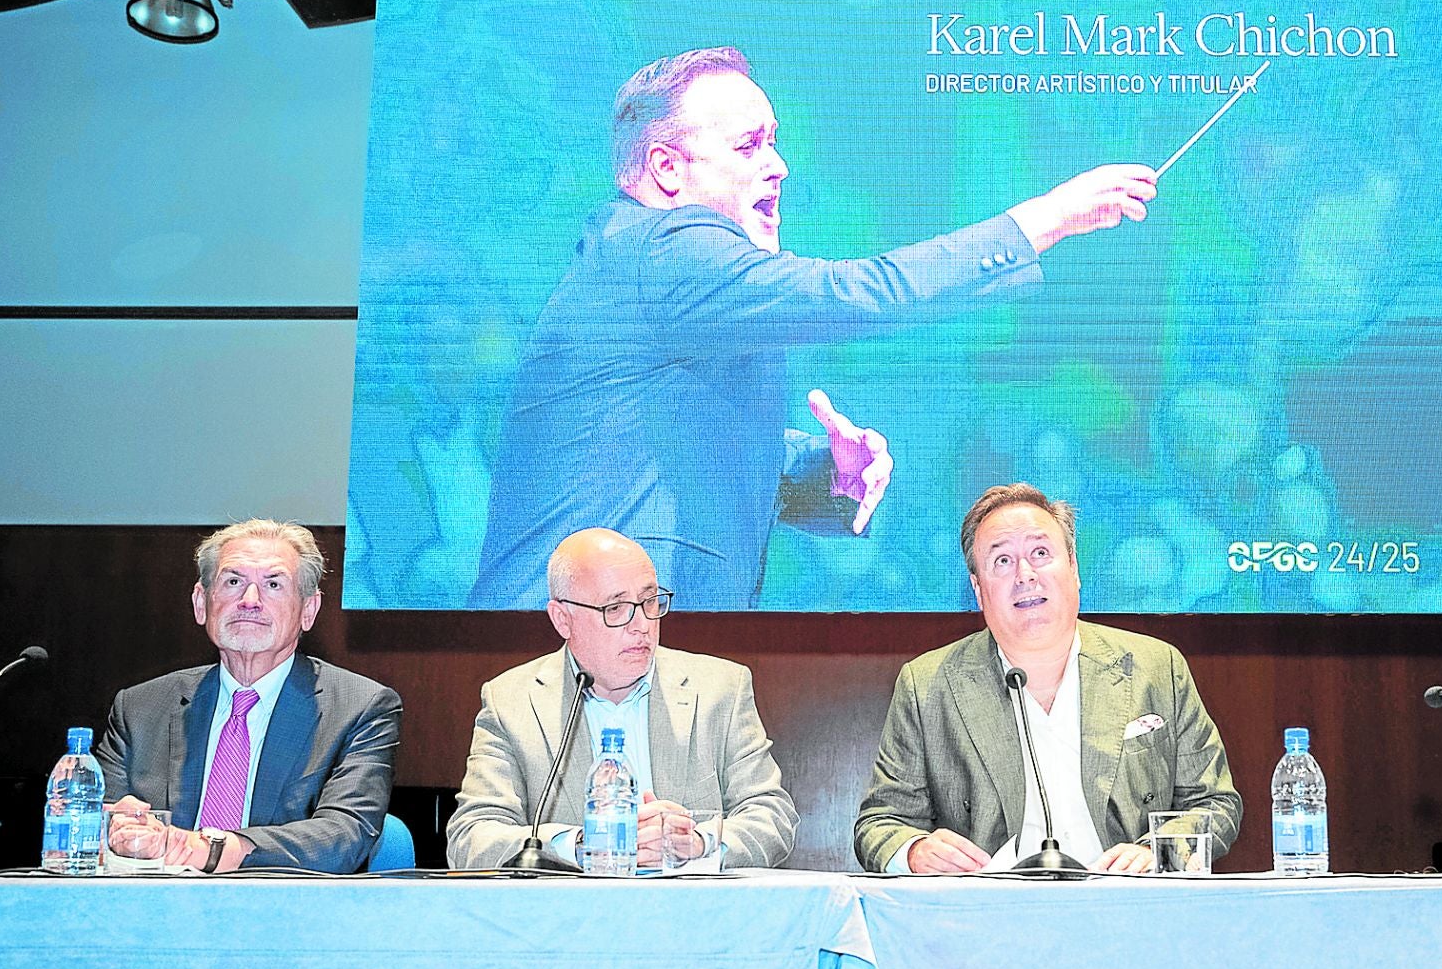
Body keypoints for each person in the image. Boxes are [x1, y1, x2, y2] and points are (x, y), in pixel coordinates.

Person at [470, 46, 1159, 611]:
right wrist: (1046, 220)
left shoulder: (667, 282)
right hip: (565, 665)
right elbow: (857, 293)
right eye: (749, 146)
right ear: (666, 169)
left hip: (636, 658)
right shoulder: (662, 245)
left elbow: (678, 453)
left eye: (775, 142)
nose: (778, 165)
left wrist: (828, 472)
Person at [855, 482, 1242, 874]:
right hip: (989, 913)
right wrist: (915, 850)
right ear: (978, 588)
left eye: (1041, 553)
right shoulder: (928, 685)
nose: (1025, 575)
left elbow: (1215, 804)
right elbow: (879, 824)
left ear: (1074, 569)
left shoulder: (1156, 667)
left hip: (1125, 904)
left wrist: (1157, 854)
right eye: (1002, 561)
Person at [447, 528, 798, 869]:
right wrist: (584, 843)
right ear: (562, 619)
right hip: (570, 921)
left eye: (649, 601)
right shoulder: (513, 702)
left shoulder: (720, 689)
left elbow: (773, 816)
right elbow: (471, 838)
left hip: (692, 916)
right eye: (615, 608)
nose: (642, 624)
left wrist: (699, 842)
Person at [94, 520, 403, 874]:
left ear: (308, 610)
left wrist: (212, 849)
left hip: (285, 914)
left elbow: (343, 836)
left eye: (273, 584)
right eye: (233, 582)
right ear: (201, 603)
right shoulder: (141, 708)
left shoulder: (360, 707)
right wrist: (121, 829)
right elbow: (97, 822)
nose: (249, 601)